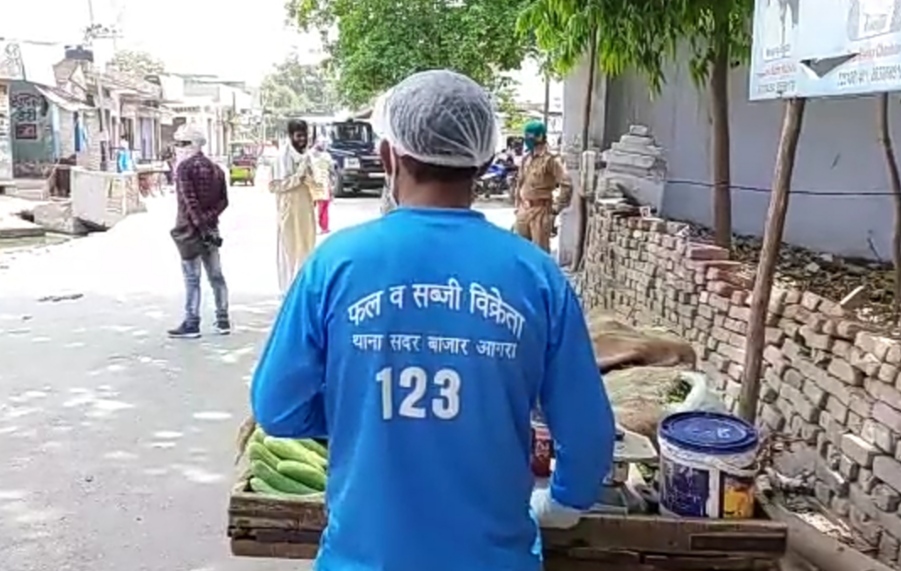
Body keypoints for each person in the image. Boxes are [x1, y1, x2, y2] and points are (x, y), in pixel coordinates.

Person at [251, 70, 615, 571]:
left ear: (387, 157)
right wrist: (562, 504)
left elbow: (276, 408)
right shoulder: (535, 276)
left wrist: (362, 408)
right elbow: (589, 434)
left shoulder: (334, 265)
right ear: (485, 162)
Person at [167, 124, 231, 339]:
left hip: (189, 231)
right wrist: (209, 221)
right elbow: (224, 202)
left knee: (192, 279)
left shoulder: (184, 169)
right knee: (216, 276)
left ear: (192, 144)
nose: (178, 148)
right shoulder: (217, 170)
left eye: (182, 143)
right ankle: (223, 319)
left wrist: (200, 225)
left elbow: (189, 202)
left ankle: (192, 322)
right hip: (211, 231)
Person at [270, 119, 316, 294]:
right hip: (288, 210)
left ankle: (303, 288)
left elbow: (313, 181)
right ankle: (287, 290)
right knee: (288, 250)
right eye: (299, 136)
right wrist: (297, 178)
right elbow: (273, 186)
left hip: (306, 208)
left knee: (307, 247)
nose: (303, 139)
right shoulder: (282, 158)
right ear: (291, 136)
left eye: (305, 135)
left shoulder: (307, 156)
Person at [513, 120, 572, 252]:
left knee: (539, 253)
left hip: (541, 211)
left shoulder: (551, 159)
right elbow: (520, 183)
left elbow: (566, 183)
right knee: (520, 251)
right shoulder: (527, 158)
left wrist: (556, 208)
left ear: (540, 136)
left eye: (531, 136)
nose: (528, 139)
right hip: (524, 209)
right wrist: (517, 207)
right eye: (526, 136)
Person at [309, 138, 333, 234]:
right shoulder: (327, 156)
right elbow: (331, 169)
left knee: (313, 207)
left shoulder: (309, 155)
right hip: (323, 184)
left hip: (314, 183)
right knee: (323, 207)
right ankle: (323, 227)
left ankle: (314, 227)